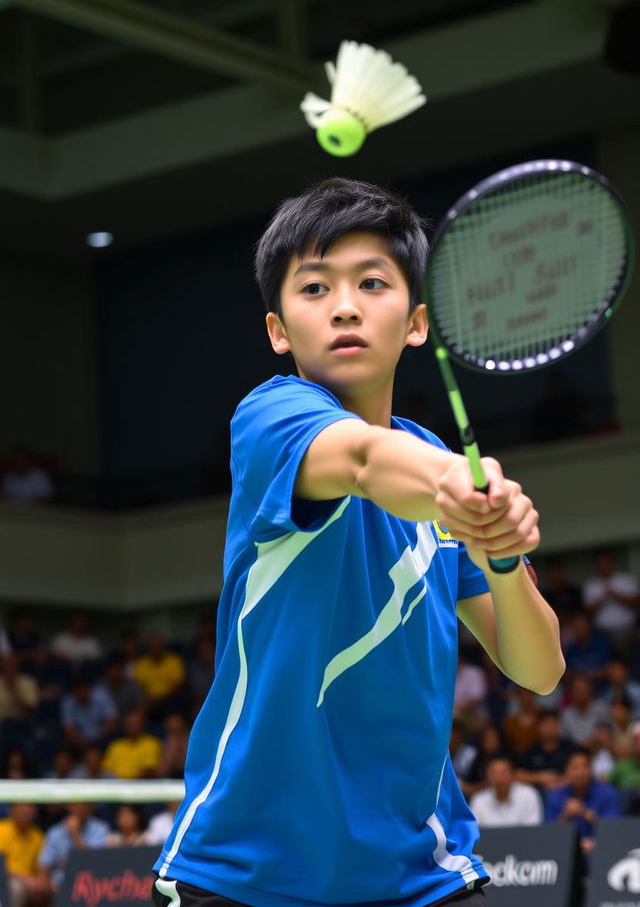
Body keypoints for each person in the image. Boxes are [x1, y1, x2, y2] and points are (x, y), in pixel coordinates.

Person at [152, 178, 564, 907]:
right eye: (314, 288)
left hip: (419, 872)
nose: (345, 305)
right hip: (247, 872)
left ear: (416, 322)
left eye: (373, 282)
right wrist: (463, 490)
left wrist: (500, 554)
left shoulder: (437, 463)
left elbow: (538, 668)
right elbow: (364, 463)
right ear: (279, 330)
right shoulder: (271, 418)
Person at [545, 747, 620, 855]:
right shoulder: (555, 797)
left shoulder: (607, 792)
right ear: (567, 770)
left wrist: (584, 812)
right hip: (565, 853)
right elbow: (547, 836)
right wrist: (565, 815)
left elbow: (615, 830)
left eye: (585, 766)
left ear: (591, 769)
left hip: (601, 850)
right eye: (575, 767)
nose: (580, 773)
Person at [38, 802, 109, 891]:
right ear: (69, 806)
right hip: (59, 883)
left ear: (91, 806)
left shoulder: (100, 829)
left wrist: (75, 835)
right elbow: (45, 866)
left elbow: (95, 863)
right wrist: (44, 886)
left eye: (85, 803)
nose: (81, 807)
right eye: (77, 804)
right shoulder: (55, 832)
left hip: (92, 882)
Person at [583, 548, 639, 651]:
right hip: (602, 632)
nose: (604, 567)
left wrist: (615, 595)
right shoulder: (592, 585)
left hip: (627, 629)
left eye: (606, 563)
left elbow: (636, 603)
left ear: (612, 563)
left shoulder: (625, 579)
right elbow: (588, 613)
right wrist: (602, 599)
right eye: (601, 564)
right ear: (597, 566)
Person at [469, 755, 543, 826]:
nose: (498, 778)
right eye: (493, 773)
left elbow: (533, 832)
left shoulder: (529, 796)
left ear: (512, 774)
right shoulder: (478, 800)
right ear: (487, 776)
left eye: (503, 773)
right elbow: (476, 833)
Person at [0, 803, 49, 907]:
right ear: (12, 810)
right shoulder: (1, 830)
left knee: (48, 888)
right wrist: (26, 879)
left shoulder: (38, 836)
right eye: (22, 809)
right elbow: (1, 868)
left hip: (30, 880)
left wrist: (41, 881)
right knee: (15, 888)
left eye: (30, 809)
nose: (26, 812)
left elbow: (42, 865)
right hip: (5, 878)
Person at [516, 710, 576, 792]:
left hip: (565, 790)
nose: (550, 728)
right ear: (539, 727)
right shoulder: (532, 750)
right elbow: (519, 775)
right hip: (537, 792)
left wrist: (562, 782)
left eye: (553, 724)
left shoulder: (570, 748)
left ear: (559, 726)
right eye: (546, 724)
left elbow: (579, 770)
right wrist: (540, 777)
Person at [132, 633, 186, 720]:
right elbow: (138, 686)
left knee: (177, 701)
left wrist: (161, 698)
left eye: (158, 646)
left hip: (169, 698)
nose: (156, 649)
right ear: (148, 648)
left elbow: (178, 684)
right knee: (140, 703)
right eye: (153, 646)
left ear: (163, 646)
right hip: (149, 700)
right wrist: (150, 698)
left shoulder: (174, 660)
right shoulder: (140, 664)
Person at [61, 675, 118, 752]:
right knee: (66, 743)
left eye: (84, 689)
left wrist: (99, 737)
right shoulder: (68, 702)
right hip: (80, 740)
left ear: (89, 688)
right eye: (79, 690)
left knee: (115, 736)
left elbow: (112, 720)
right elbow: (68, 729)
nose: (82, 692)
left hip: (102, 736)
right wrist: (82, 742)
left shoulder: (101, 695)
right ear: (74, 691)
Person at [102, 710, 162, 779]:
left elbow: (149, 770)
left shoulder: (152, 743)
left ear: (143, 724)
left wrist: (130, 784)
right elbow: (106, 770)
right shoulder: (115, 745)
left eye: (136, 723)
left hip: (140, 785)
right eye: (129, 723)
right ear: (125, 726)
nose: (132, 726)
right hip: (116, 785)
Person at [560, 674, 612, 747]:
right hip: (574, 753)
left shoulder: (601, 709)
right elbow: (564, 740)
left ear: (590, 690)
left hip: (598, 749)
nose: (581, 692)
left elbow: (608, 732)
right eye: (577, 689)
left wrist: (595, 741)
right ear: (572, 692)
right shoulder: (566, 714)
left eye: (583, 688)